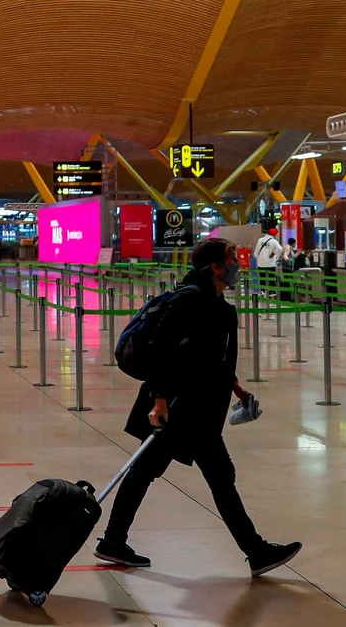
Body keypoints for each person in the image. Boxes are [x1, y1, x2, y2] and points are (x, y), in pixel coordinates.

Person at [94, 237, 301, 577]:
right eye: (233, 258)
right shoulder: (191, 301)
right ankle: (256, 551)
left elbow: (209, 357)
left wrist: (236, 388)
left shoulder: (215, 303)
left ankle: (114, 539)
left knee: (152, 471)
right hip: (179, 406)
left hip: (194, 404)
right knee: (216, 476)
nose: (239, 264)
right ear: (215, 267)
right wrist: (159, 400)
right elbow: (158, 348)